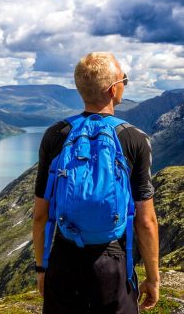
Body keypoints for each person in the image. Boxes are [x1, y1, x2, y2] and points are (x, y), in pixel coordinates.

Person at [33, 52, 159, 313]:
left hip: (64, 257)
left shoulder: (56, 135)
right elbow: (145, 220)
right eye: (124, 79)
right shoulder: (134, 138)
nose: (125, 83)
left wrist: (42, 269)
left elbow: (41, 215)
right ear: (114, 89)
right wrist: (153, 278)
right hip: (112, 261)